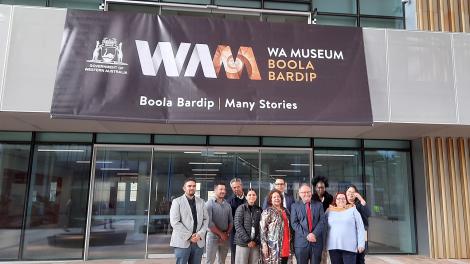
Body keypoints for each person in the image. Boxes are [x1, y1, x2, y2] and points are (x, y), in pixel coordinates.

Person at [170, 178, 209, 264]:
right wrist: (190, 236)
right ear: (184, 188)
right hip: (182, 241)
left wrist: (199, 234)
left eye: (194, 186)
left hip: (198, 241)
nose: (192, 188)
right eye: (189, 186)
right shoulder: (177, 202)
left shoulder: (201, 202)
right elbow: (175, 222)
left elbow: (206, 220)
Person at [326, 192, 365, 264]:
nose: (341, 200)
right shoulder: (329, 211)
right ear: (335, 200)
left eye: (343, 198)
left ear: (346, 200)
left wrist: (361, 244)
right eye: (339, 198)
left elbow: (360, 227)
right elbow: (324, 227)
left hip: (350, 247)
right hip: (334, 246)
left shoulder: (353, 209)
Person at [291, 184, 325, 264]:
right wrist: (307, 235)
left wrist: (314, 234)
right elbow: (294, 223)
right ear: (299, 194)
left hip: (316, 242)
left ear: (311, 193)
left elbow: (322, 221)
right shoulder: (295, 206)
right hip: (301, 244)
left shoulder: (319, 205)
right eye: (303, 192)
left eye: (308, 192)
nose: (306, 194)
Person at [260, 189, 293, 264]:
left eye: (278, 197)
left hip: (286, 244)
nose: (277, 199)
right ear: (270, 199)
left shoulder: (286, 211)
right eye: (274, 197)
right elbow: (262, 230)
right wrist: (264, 245)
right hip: (273, 247)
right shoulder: (267, 212)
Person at [205, 182, 233, 264]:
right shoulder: (209, 204)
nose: (223, 191)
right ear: (215, 190)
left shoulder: (227, 205)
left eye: (224, 189)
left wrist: (226, 234)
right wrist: (221, 234)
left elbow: (231, 221)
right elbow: (209, 223)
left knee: (222, 261)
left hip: (225, 237)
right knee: (210, 261)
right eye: (220, 189)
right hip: (212, 236)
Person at [234, 188, 262, 264]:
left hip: (255, 244)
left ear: (256, 197)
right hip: (243, 243)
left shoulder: (259, 210)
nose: (252, 196)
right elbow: (238, 225)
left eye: (253, 195)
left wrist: (256, 240)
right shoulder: (241, 208)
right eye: (249, 195)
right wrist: (248, 241)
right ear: (246, 197)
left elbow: (262, 227)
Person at [346, 185, 371, 264]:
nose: (351, 194)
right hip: (348, 237)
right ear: (346, 193)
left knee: (360, 258)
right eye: (349, 192)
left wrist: (360, 199)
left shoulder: (359, 204)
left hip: (360, 235)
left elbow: (368, 213)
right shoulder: (343, 204)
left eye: (353, 192)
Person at [227, 178, 246, 264]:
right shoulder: (229, 201)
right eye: (234, 187)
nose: (236, 189)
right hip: (235, 233)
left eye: (238, 186)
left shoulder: (250, 197)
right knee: (235, 255)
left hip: (249, 231)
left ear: (241, 186)